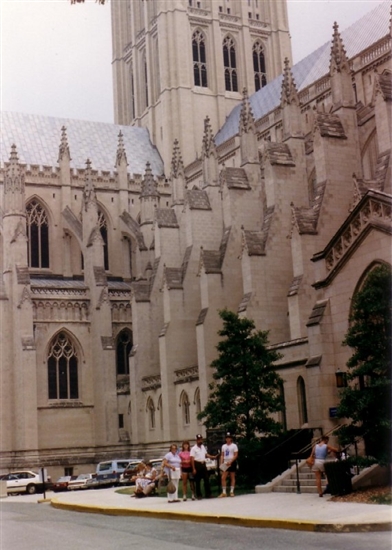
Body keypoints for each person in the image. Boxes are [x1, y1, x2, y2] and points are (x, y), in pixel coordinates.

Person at [190, 434, 218, 500]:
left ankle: (208, 494)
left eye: (201, 439)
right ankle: (199, 495)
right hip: (197, 464)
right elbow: (192, 459)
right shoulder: (193, 449)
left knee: (206, 479)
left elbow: (206, 455)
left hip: (203, 464)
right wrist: (193, 468)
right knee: (197, 480)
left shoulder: (203, 447)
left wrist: (212, 457)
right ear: (196, 440)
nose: (200, 441)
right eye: (199, 439)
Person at [218, 432, 238, 498]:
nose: (228, 439)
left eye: (229, 438)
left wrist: (231, 461)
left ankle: (232, 491)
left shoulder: (234, 446)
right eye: (227, 438)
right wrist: (221, 463)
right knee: (223, 477)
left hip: (231, 462)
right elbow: (222, 455)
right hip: (226, 462)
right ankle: (224, 492)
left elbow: (236, 455)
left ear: (231, 439)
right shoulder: (224, 446)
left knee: (232, 477)